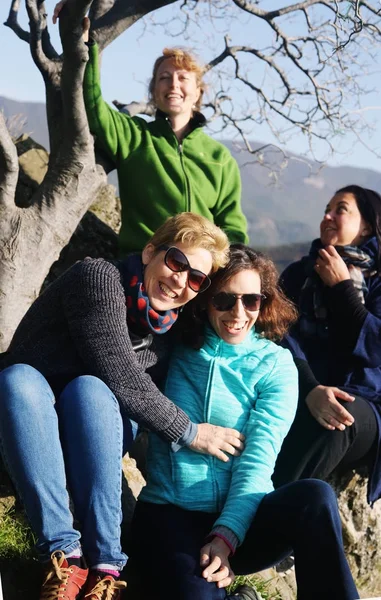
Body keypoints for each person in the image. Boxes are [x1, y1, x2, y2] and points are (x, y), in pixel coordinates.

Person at [0, 213, 245, 600]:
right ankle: (65, 560)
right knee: (19, 378)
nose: (180, 280)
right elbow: (120, 374)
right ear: (150, 251)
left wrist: (309, 383)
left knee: (89, 391)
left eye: (195, 278)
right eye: (176, 262)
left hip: (97, 420)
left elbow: (244, 326)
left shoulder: (173, 327)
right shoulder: (99, 278)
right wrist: (191, 432)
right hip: (32, 413)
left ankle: (106, 569)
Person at [125, 244, 359, 600]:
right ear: (204, 300)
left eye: (251, 300)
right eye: (224, 300)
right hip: (172, 512)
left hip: (243, 518)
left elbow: (257, 461)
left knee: (316, 496)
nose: (238, 312)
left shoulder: (276, 365)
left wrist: (227, 535)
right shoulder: (172, 348)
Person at [53, 2, 248, 255]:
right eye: (164, 78)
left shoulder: (219, 158)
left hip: (200, 276)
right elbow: (93, 106)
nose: (173, 84)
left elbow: (232, 226)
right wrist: (85, 41)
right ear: (154, 90)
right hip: (143, 267)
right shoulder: (134, 136)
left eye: (182, 78)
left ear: (198, 91)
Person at [272, 185, 381, 511]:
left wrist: (341, 288)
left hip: (366, 404)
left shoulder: (377, 280)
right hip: (302, 388)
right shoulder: (298, 274)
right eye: (326, 209)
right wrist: (311, 387)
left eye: (340, 209)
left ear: (365, 226)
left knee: (338, 422)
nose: (327, 216)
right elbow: (278, 336)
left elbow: (376, 349)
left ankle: (271, 524)